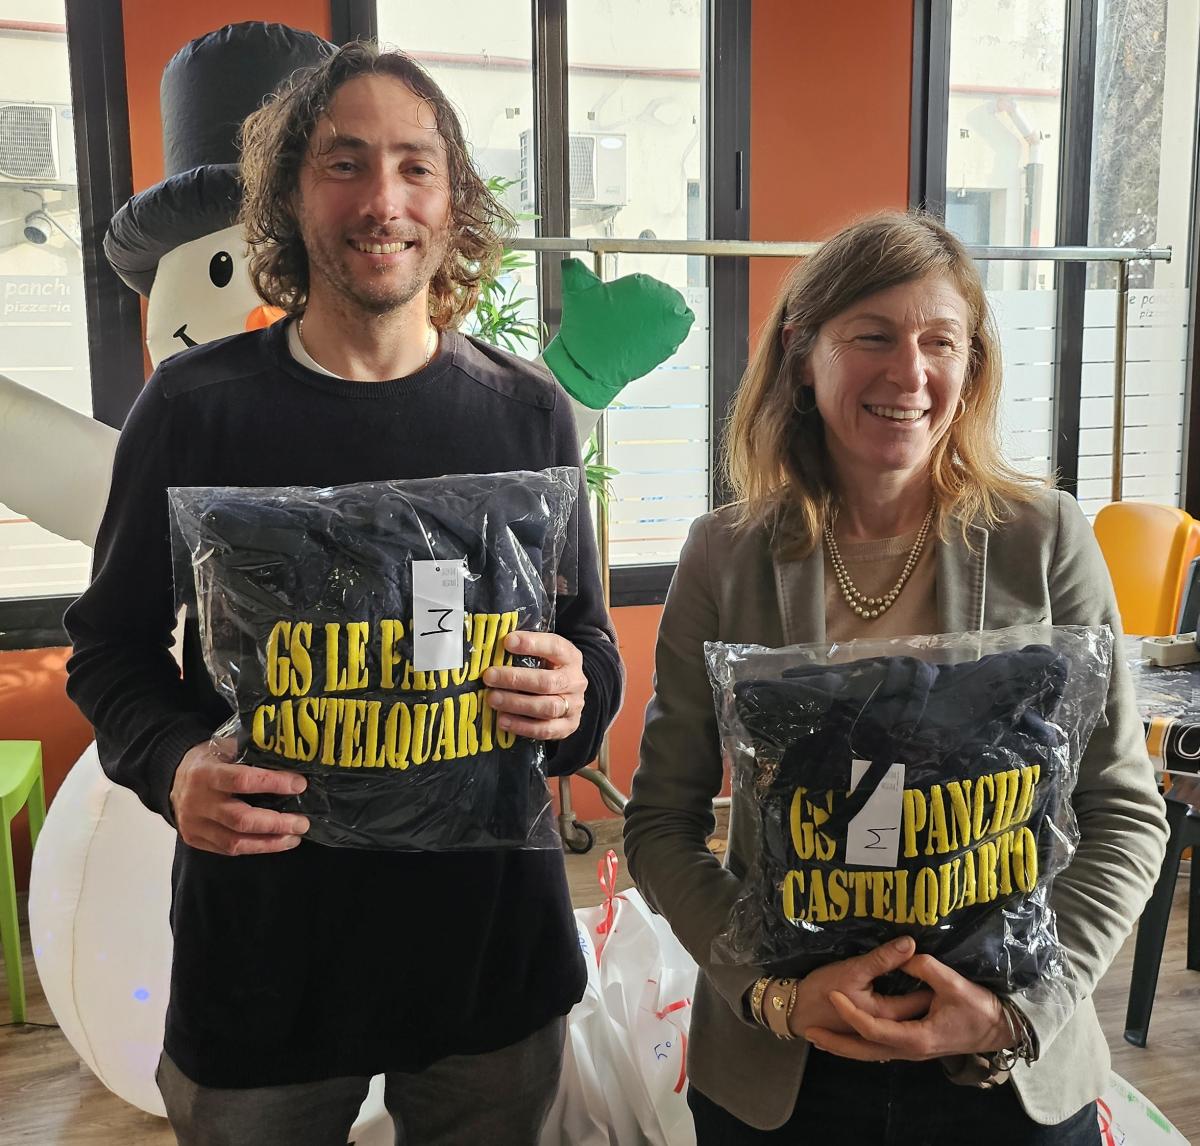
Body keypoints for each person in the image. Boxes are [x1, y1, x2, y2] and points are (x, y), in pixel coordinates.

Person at [64, 41, 623, 1146]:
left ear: (452, 203)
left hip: (486, 959)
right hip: (263, 957)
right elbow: (110, 648)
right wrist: (175, 767)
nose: (383, 200)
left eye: (416, 166)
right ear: (289, 195)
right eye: (345, 163)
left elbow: (588, 648)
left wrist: (574, 696)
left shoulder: (526, 415)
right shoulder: (194, 409)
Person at [623, 211, 1168, 1145]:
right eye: (872, 337)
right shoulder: (724, 555)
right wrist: (770, 993)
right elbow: (660, 824)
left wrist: (1020, 1008)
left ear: (972, 364)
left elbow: (1123, 812)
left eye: (939, 342)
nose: (909, 374)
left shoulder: (1044, 539)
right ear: (803, 355)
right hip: (784, 1075)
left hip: (1004, 1073)